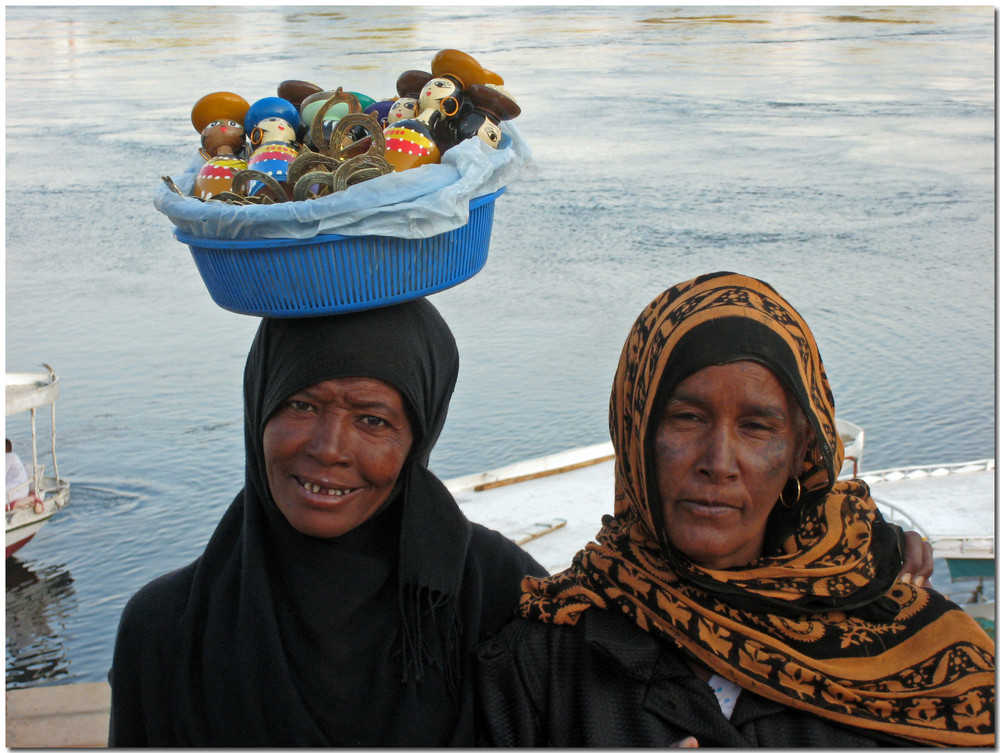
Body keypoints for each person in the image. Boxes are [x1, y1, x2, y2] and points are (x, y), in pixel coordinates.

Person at [476, 271, 995, 747]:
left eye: (756, 426)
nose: (719, 463)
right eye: (687, 417)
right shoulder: (544, 662)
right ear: (636, 436)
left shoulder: (917, 642)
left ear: (799, 452)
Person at [107, 299, 546, 746]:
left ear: (419, 436)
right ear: (259, 406)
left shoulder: (502, 596)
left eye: (372, 420)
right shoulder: (165, 629)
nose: (328, 448)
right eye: (302, 405)